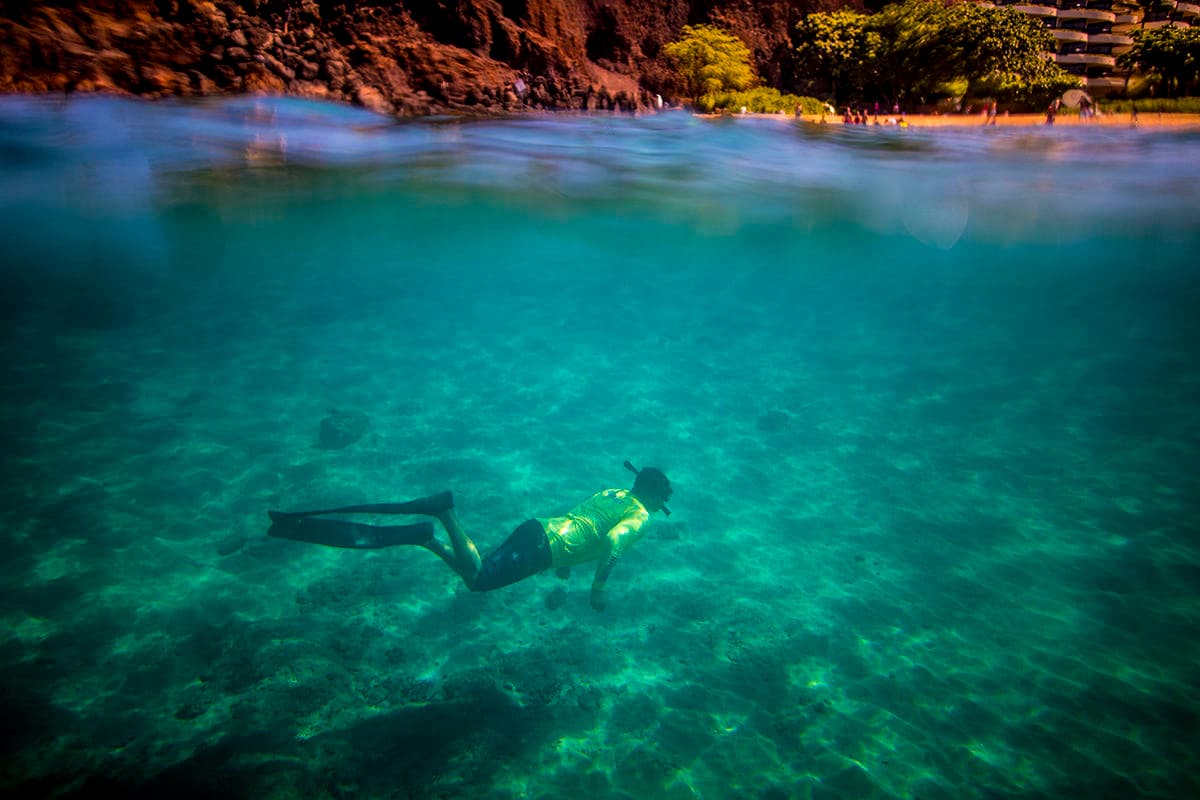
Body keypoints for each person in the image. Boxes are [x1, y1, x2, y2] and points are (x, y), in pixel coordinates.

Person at [267, 462, 673, 612]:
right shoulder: (639, 514)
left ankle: (426, 538)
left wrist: (564, 570)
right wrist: (597, 590)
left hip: (538, 529)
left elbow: (582, 522)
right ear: (654, 495)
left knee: (476, 575)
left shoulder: (612, 492)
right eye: (662, 500)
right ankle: (442, 514)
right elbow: (612, 546)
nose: (659, 507)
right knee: (478, 579)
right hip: (544, 547)